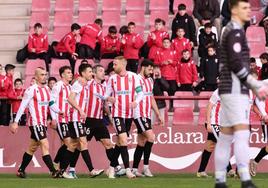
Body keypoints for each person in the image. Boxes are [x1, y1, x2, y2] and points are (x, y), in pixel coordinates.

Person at [215, 0, 268, 187]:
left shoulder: (229, 30)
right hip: (235, 89)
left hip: (228, 89)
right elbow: (237, 64)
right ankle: (245, 178)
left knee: (226, 136)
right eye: (245, 8)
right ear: (235, 10)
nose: (249, 11)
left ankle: (220, 179)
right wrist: (255, 85)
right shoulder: (235, 31)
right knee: (241, 134)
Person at [10, 67, 59, 178]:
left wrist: (58, 111)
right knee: (45, 144)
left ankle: (21, 170)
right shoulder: (31, 90)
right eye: (42, 74)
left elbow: (51, 103)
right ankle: (53, 171)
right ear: (36, 77)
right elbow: (22, 106)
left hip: (43, 123)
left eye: (45, 74)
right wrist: (15, 122)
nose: (44, 76)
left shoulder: (47, 89)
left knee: (32, 148)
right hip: (35, 123)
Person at [104, 56, 144, 178]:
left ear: (123, 64)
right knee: (123, 139)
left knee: (121, 142)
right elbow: (105, 94)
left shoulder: (133, 77)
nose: (113, 67)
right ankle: (128, 170)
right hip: (117, 113)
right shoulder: (112, 79)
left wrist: (136, 102)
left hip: (129, 114)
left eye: (115, 64)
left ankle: (111, 168)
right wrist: (108, 98)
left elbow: (140, 93)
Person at [67, 64, 104, 178]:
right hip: (76, 118)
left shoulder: (85, 84)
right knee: (82, 143)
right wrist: (80, 110)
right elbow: (70, 99)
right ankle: (92, 170)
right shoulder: (78, 84)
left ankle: (64, 170)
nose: (91, 74)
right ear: (83, 73)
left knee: (73, 145)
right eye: (89, 72)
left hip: (80, 119)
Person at [132, 59, 163, 177]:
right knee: (151, 137)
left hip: (147, 114)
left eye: (152, 70)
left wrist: (158, 114)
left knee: (141, 142)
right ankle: (146, 167)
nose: (151, 72)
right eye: (149, 69)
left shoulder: (150, 80)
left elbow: (151, 98)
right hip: (138, 113)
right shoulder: (136, 79)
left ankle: (134, 169)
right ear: (143, 67)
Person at [197, 89, 236, 178]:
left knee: (210, 146)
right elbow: (209, 106)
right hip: (214, 123)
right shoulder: (219, 91)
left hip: (222, 124)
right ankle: (229, 170)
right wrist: (208, 123)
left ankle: (201, 171)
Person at [49, 66, 75, 178]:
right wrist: (55, 116)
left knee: (67, 144)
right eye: (68, 73)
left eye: (71, 72)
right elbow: (51, 102)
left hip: (69, 119)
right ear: (62, 75)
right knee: (69, 143)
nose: (71, 74)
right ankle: (62, 170)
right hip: (61, 119)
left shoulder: (70, 87)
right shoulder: (57, 86)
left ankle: (55, 163)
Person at [155, 38, 177, 112]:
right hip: (162, 76)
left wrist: (171, 62)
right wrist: (162, 63)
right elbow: (155, 63)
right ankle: (161, 106)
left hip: (172, 76)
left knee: (172, 91)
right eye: (164, 42)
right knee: (161, 92)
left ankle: (171, 106)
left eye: (167, 42)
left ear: (170, 44)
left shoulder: (173, 52)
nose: (166, 44)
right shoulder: (158, 52)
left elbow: (177, 63)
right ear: (162, 43)